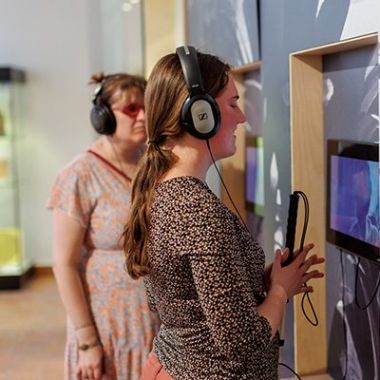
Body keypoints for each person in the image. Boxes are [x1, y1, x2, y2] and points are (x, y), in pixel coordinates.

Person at [122, 46, 325, 379]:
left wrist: (265, 281)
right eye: (232, 103)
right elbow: (243, 342)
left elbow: (182, 302)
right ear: (200, 114)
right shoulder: (195, 208)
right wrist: (279, 291)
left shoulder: (163, 189)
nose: (242, 116)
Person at [47, 72, 159, 380]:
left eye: (146, 106)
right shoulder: (79, 174)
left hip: (152, 323)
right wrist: (87, 341)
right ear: (104, 118)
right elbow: (64, 264)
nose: (144, 116)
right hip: (108, 328)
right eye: (132, 109)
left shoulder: (153, 165)